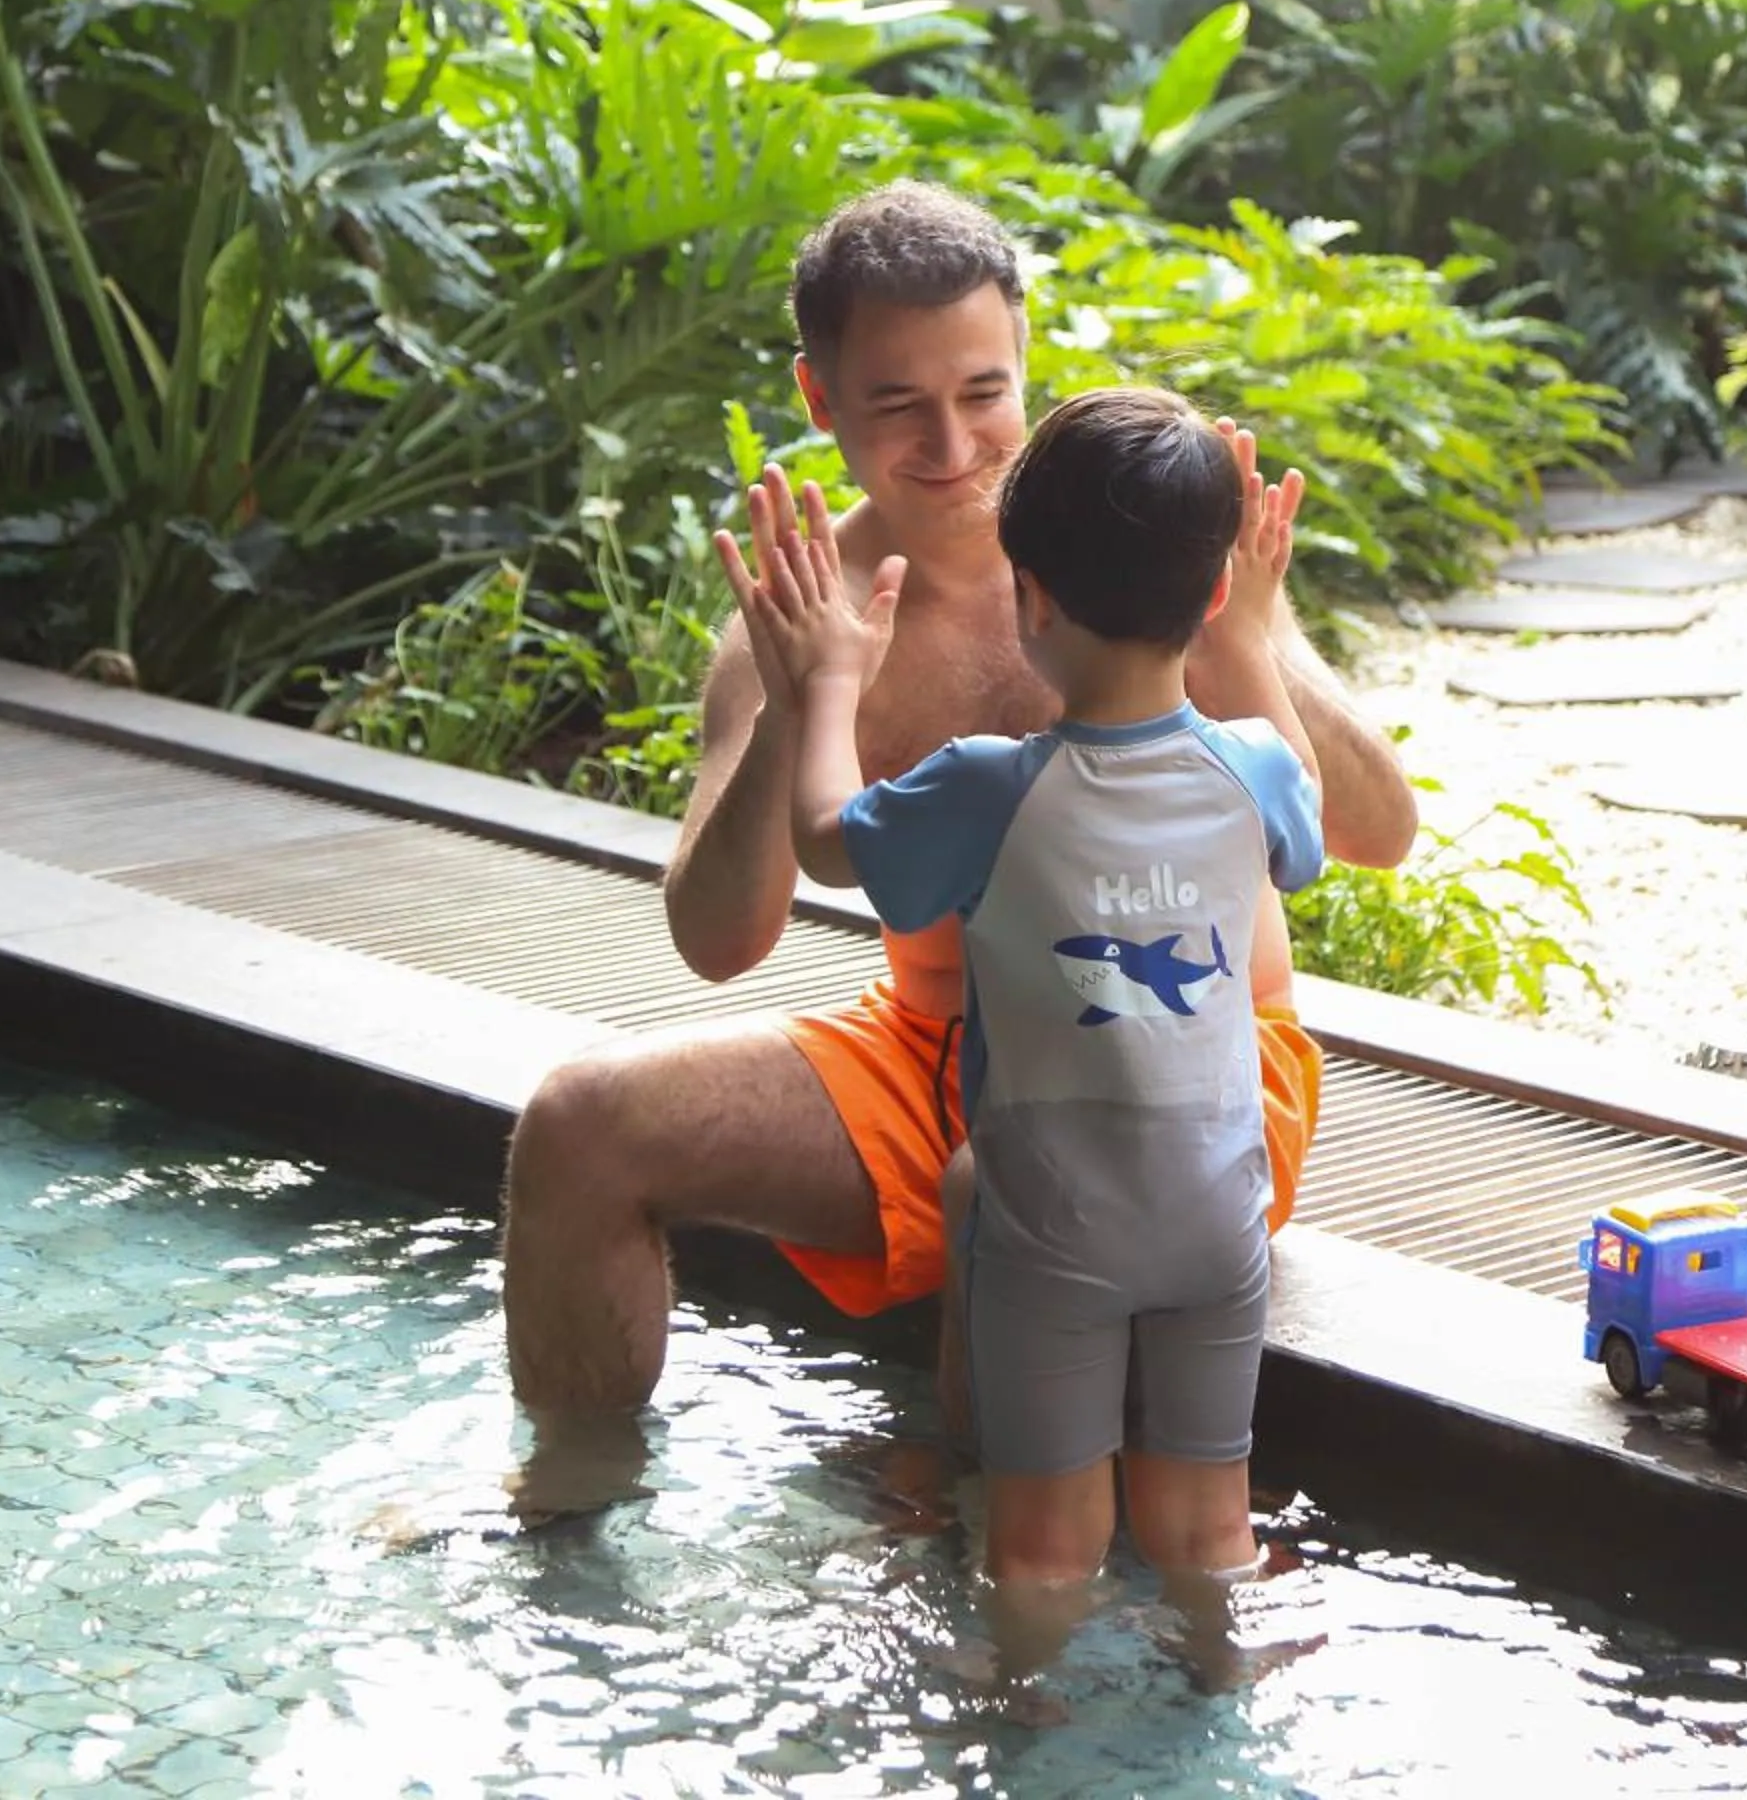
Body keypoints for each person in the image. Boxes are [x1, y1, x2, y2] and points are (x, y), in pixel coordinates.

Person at [498, 180, 1419, 1509]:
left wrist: (1243, 632)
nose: (953, 445)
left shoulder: (1129, 530)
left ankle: (986, 1573)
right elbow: (718, 942)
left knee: (1005, 1187)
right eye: (896, 406)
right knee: (580, 1125)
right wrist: (803, 694)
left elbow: (1377, 834)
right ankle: (570, 1516)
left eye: (984, 393)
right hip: (937, 1047)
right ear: (822, 402)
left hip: (1193, 1046)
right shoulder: (809, 610)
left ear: (1025, 357)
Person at [720, 383, 1326, 1661]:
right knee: (1209, 1528)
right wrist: (1260, 634)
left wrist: (827, 687)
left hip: (1054, 1226)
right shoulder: (1257, 767)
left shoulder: (990, 789)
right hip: (1221, 1211)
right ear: (1211, 595)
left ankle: (1030, 1729)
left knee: (1046, 1548)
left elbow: (830, 841)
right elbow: (1310, 819)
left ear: (1030, 597)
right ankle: (1221, 1682)